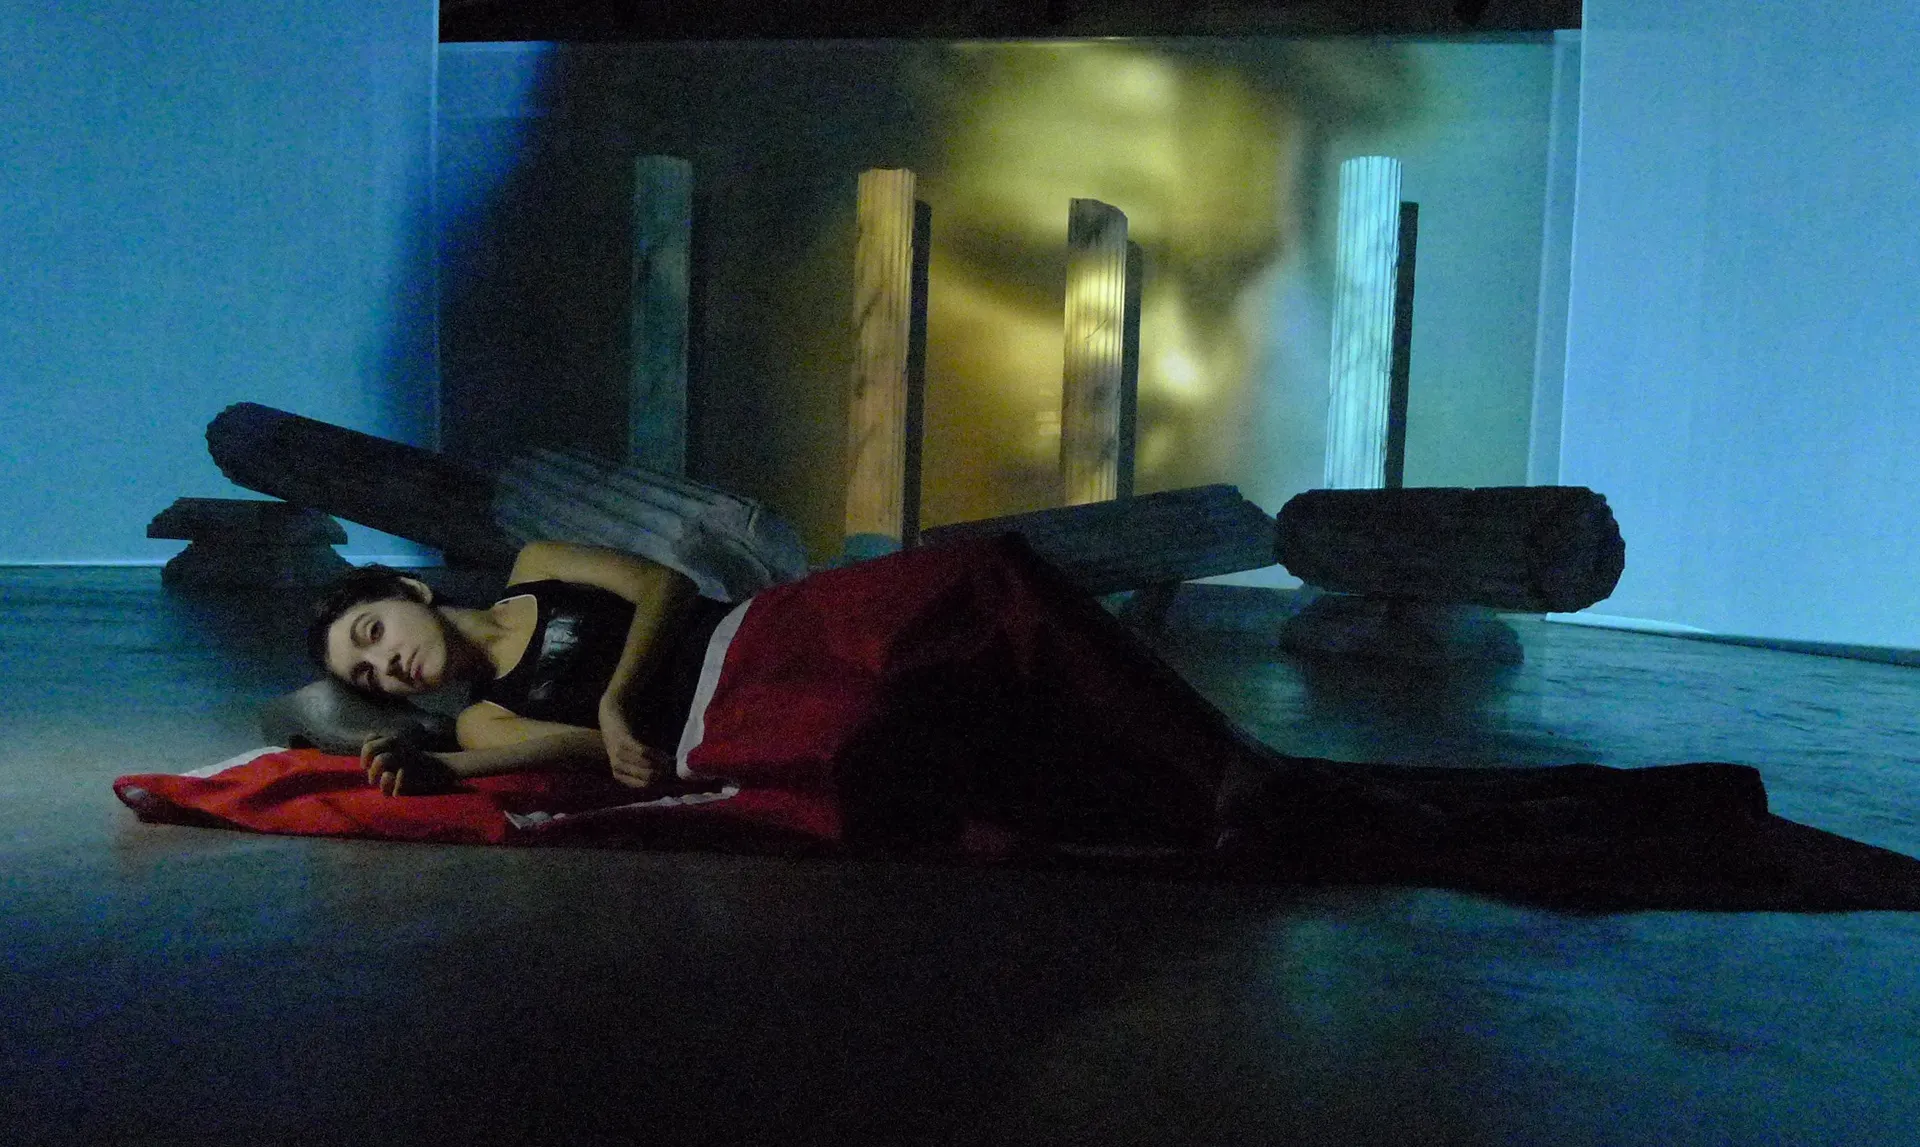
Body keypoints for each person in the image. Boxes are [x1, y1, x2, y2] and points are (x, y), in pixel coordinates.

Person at [309, 533, 1780, 873]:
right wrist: (439, 768)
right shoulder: (481, 724)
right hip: (733, 723)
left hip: (760, 632)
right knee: (956, 759)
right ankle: (1249, 792)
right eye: (365, 674)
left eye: (375, 630)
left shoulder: (533, 563)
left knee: (987, 578)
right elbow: (592, 753)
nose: (385, 663)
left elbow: (660, 590)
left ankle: (1231, 770)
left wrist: (626, 694)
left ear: (409, 590)